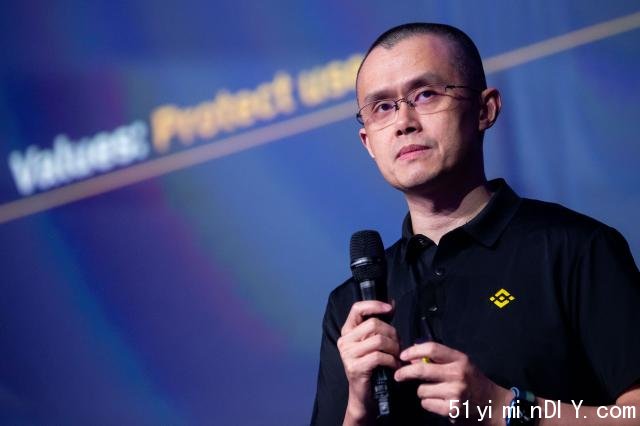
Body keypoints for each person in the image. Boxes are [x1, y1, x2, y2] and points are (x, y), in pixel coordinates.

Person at [311, 23, 640, 426]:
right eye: (382, 106)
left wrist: (501, 406)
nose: (404, 121)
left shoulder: (576, 248)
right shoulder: (352, 306)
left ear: (485, 110)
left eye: (425, 94)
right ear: (368, 142)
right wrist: (357, 410)